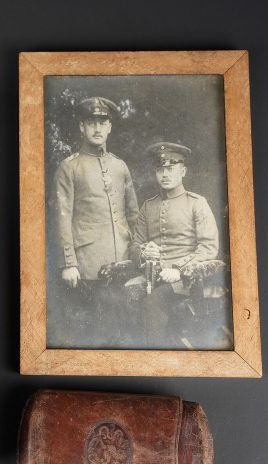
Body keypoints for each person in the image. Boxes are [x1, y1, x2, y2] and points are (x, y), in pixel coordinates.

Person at [51, 97, 139, 346]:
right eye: (92, 123)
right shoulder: (69, 167)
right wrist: (68, 263)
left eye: (103, 122)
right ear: (82, 127)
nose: (98, 128)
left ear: (110, 127)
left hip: (123, 261)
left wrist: (138, 252)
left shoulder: (120, 166)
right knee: (96, 337)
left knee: (126, 334)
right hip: (88, 267)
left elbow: (133, 214)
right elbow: (62, 218)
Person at [132, 142, 220, 348]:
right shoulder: (148, 206)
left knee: (153, 302)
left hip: (187, 280)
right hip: (151, 276)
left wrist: (179, 270)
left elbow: (208, 247)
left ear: (183, 171)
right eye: (160, 169)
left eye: (170, 169)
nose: (165, 174)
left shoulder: (197, 203)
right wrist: (144, 252)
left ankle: (154, 359)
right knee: (122, 297)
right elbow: (134, 245)